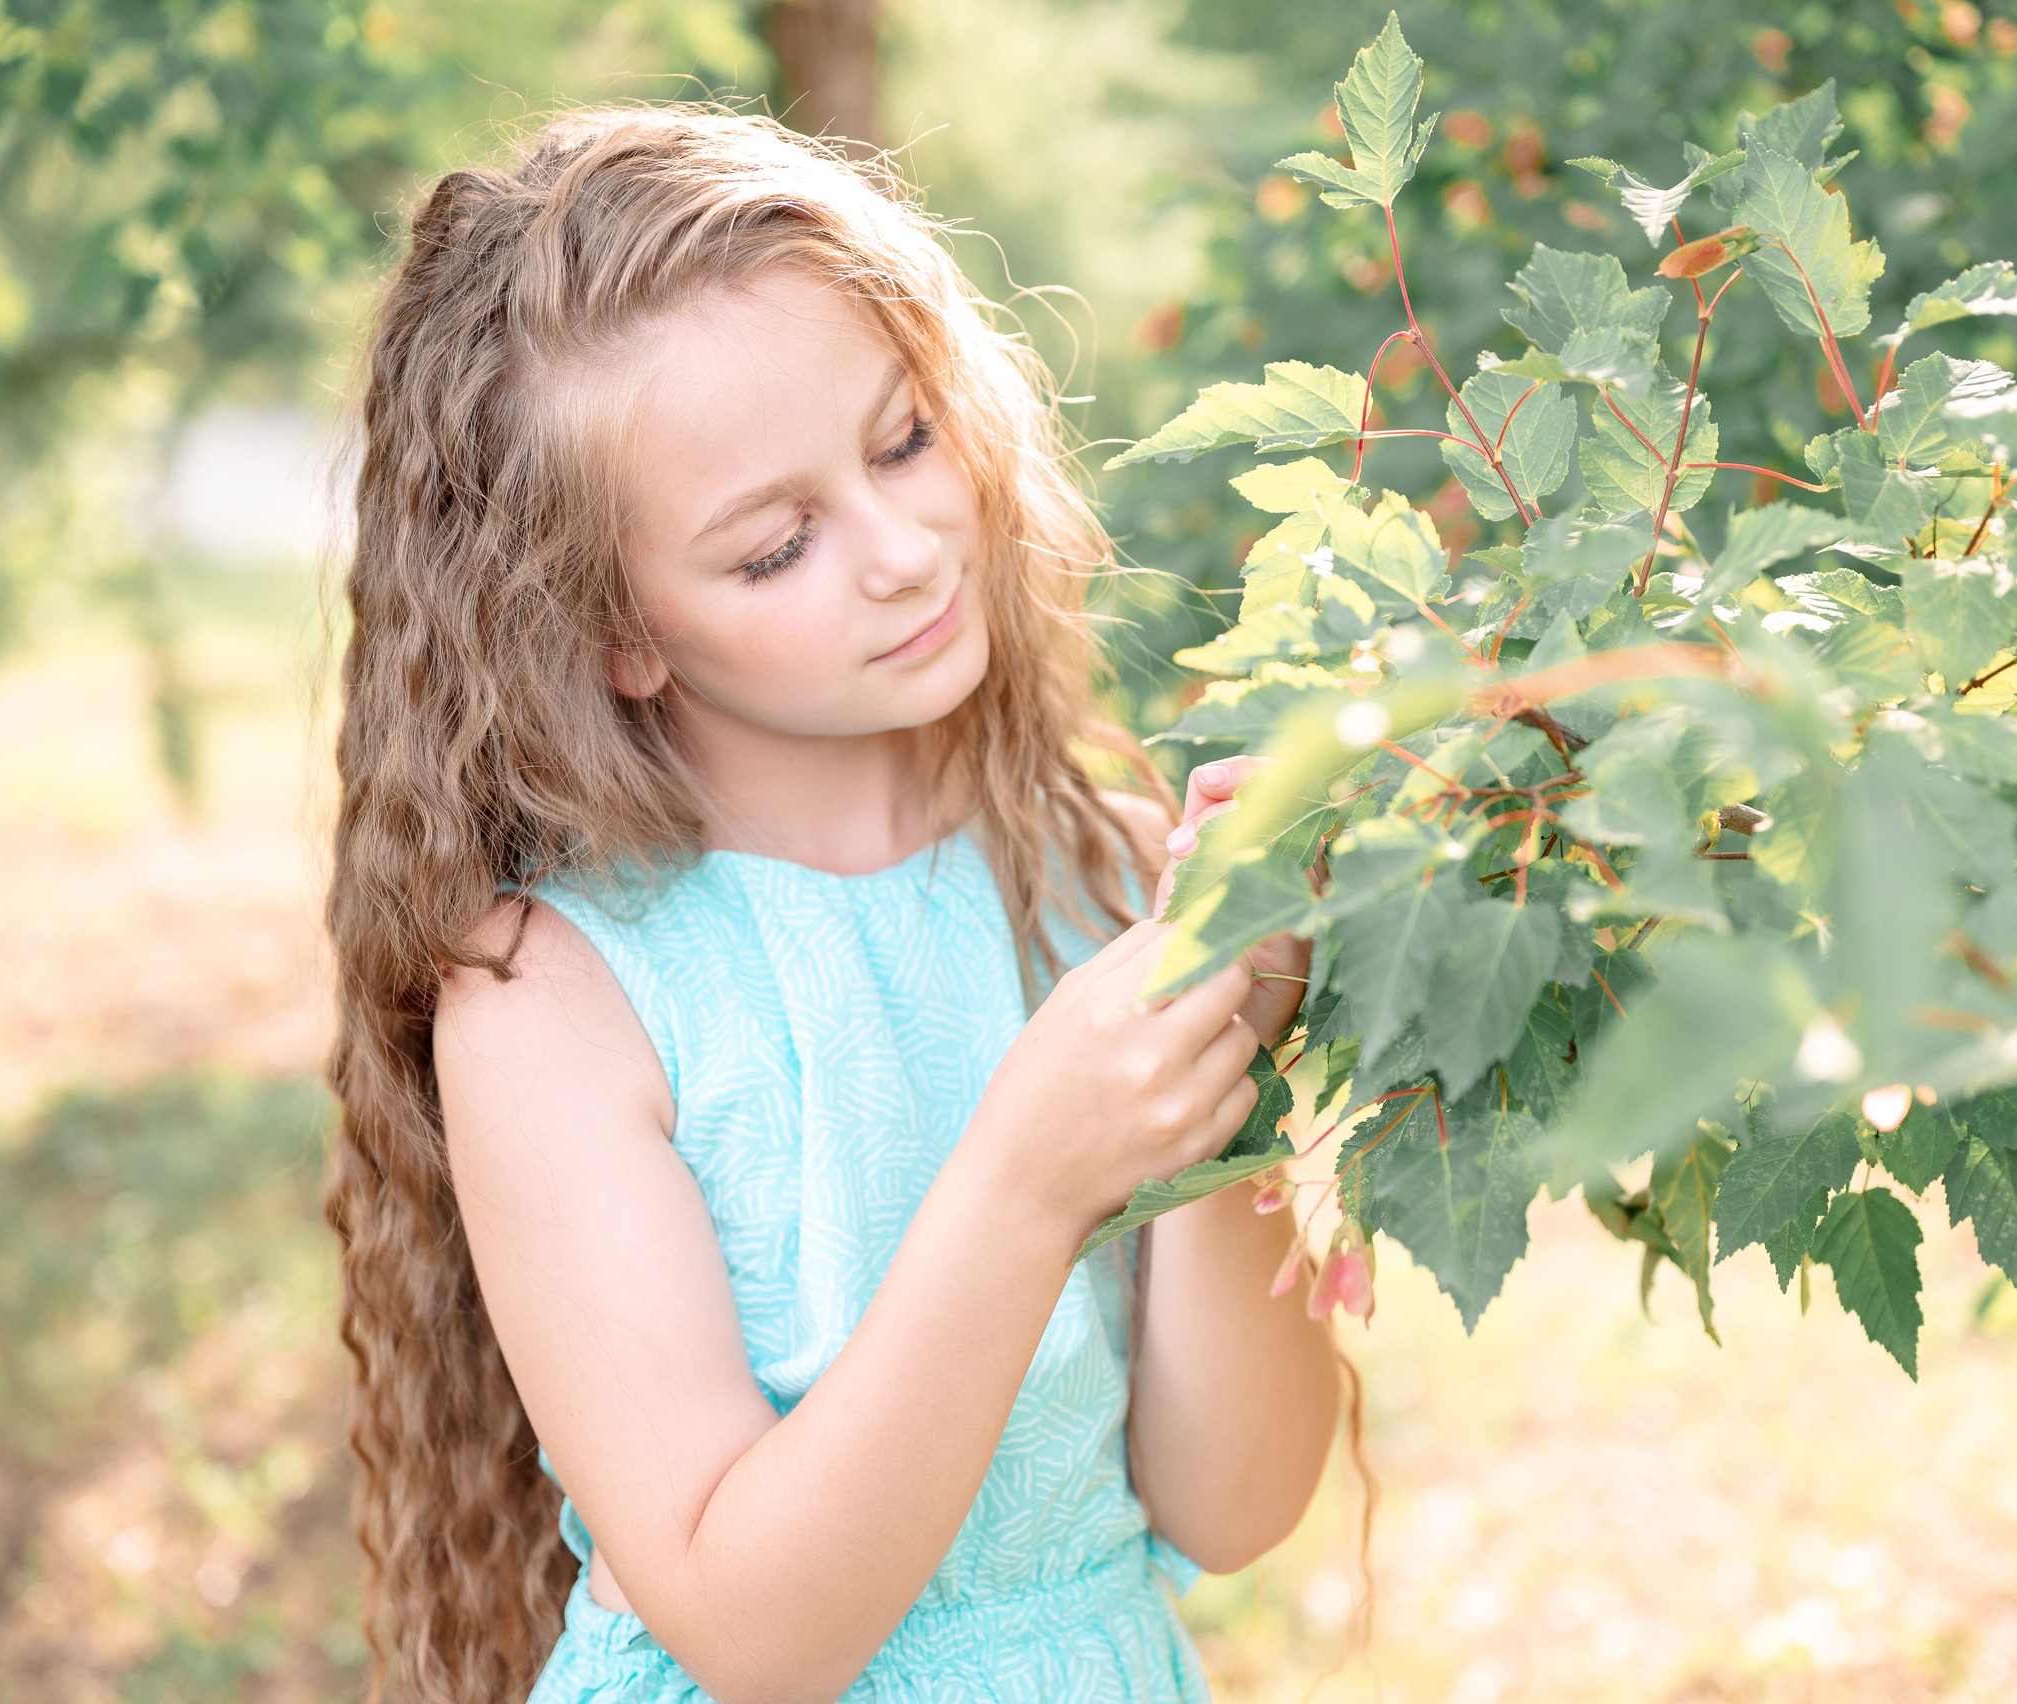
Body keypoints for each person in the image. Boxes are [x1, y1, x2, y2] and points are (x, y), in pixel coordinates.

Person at [323, 103, 1343, 1704]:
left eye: (904, 441)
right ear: (615, 634)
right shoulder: (557, 997)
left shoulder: (1087, 867)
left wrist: (1214, 1067)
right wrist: (1030, 1173)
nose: (904, 550)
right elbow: (761, 1637)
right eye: (778, 545)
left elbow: (1238, 1501)